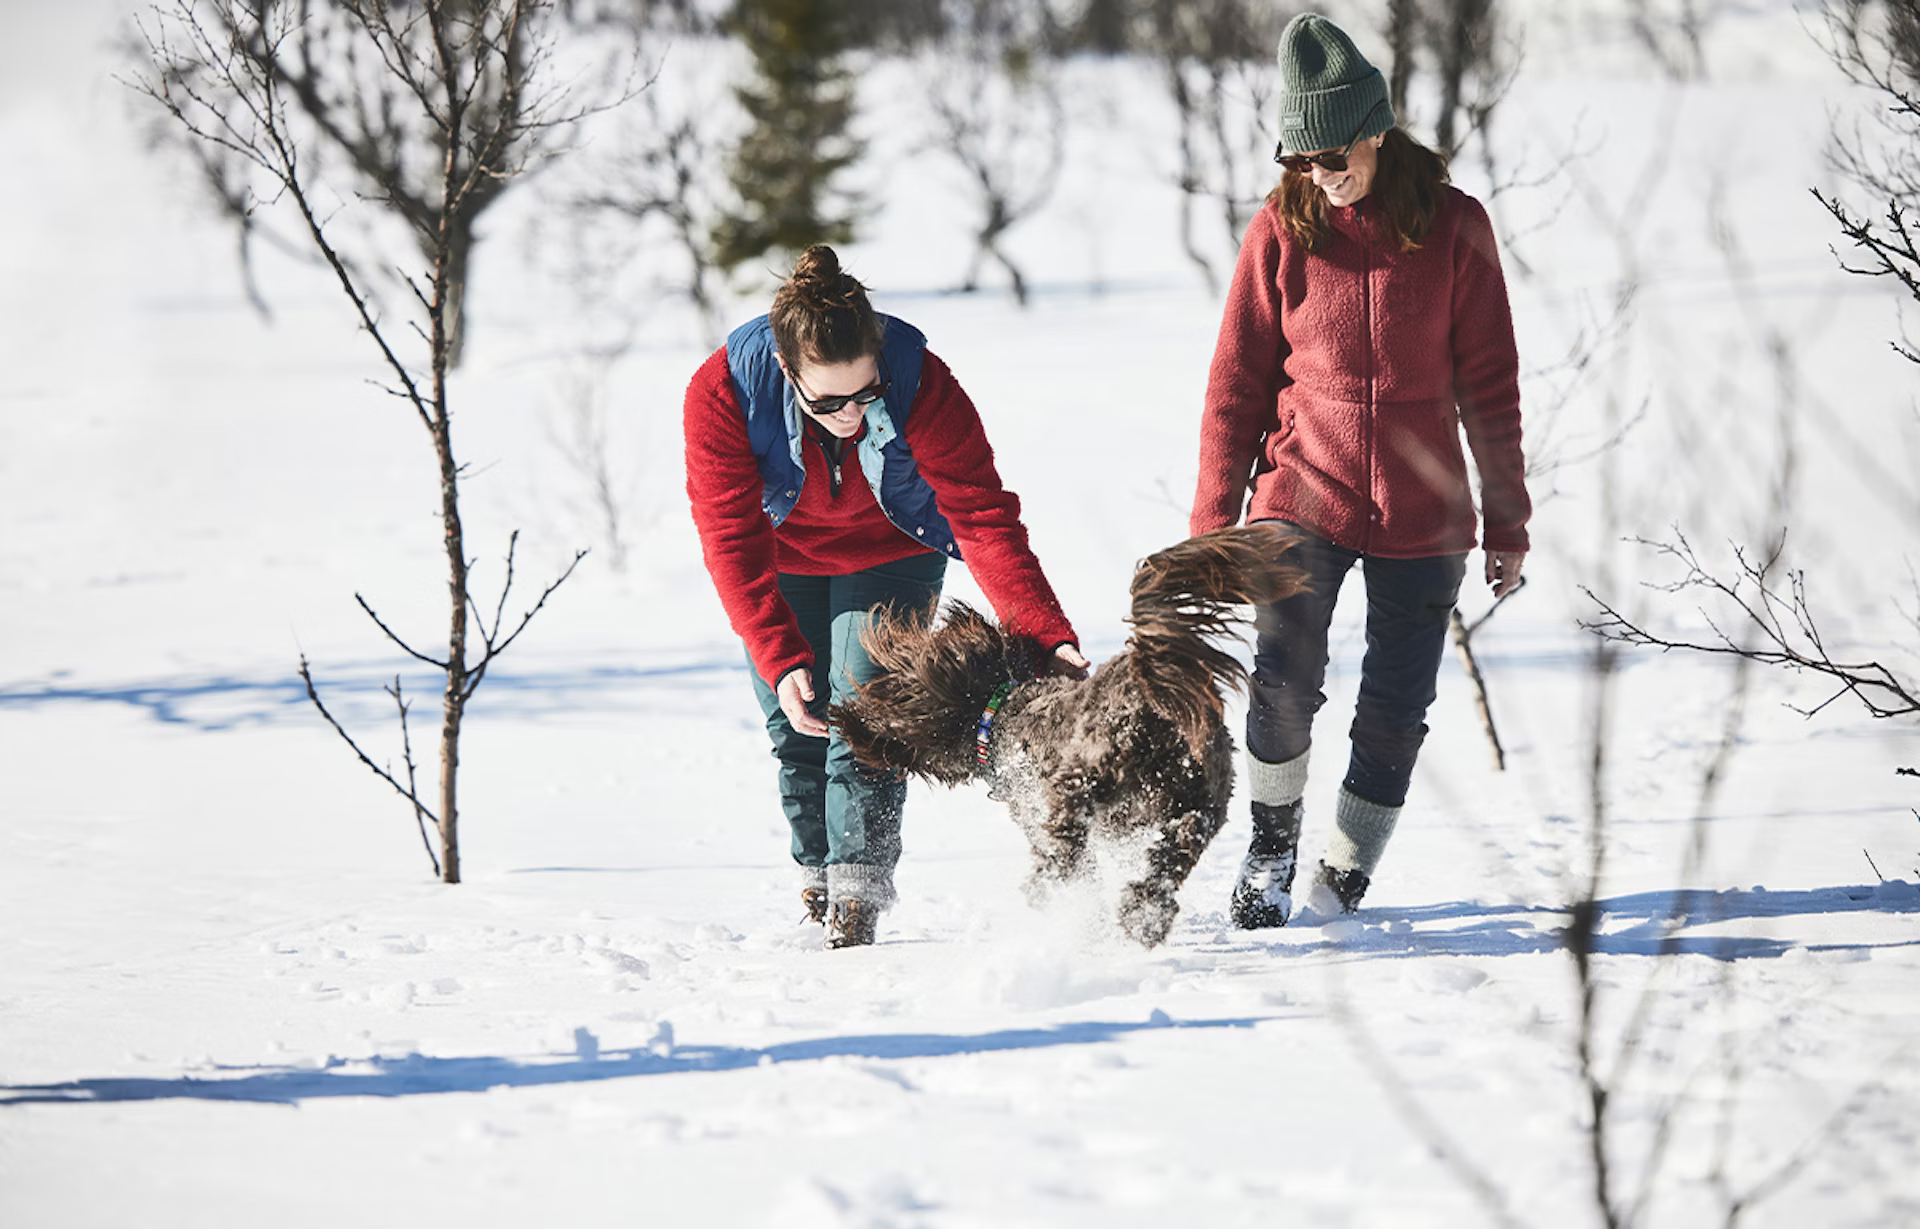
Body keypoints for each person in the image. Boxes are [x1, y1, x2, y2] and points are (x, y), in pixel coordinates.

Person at [1190, 14, 1531, 926]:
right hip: (1304, 490)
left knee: (1393, 709)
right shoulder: (1281, 229)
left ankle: (1344, 877)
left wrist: (1508, 523)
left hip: (1425, 511)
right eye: (1300, 156)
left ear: (1376, 128)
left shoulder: (1456, 229)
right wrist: (1210, 523)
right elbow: (1236, 384)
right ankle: (1268, 850)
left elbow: (1492, 385)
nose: (1319, 171)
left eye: (1334, 150)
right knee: (1284, 684)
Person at [684, 245, 1089, 949]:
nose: (849, 414)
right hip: (779, 557)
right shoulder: (723, 392)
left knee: (864, 710)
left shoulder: (920, 381)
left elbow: (983, 513)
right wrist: (778, 657)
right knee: (797, 721)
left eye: (864, 394)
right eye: (828, 401)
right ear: (787, 370)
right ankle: (819, 873)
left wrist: (1043, 630)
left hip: (892, 551)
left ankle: (859, 892)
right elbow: (728, 537)